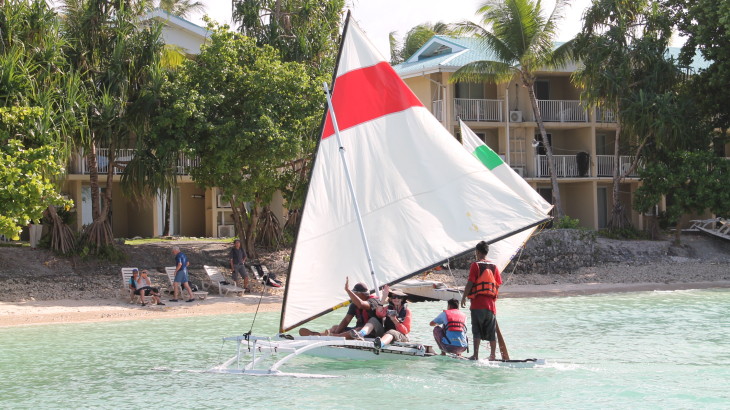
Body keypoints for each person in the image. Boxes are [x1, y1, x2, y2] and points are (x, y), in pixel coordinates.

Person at [298, 278, 383, 339]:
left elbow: (361, 304)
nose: (353, 295)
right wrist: (337, 331)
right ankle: (318, 335)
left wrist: (348, 290)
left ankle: (332, 337)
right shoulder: (354, 305)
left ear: (362, 294)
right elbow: (346, 320)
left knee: (358, 329)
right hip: (356, 332)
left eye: (355, 293)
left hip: (373, 331)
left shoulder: (373, 301)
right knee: (336, 327)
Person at [460, 240, 502, 361]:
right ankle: (493, 356)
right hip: (491, 306)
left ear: (477, 252)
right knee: (491, 331)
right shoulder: (494, 267)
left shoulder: (476, 265)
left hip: (477, 304)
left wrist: (464, 297)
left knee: (476, 330)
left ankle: (476, 355)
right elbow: (498, 284)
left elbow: (470, 282)